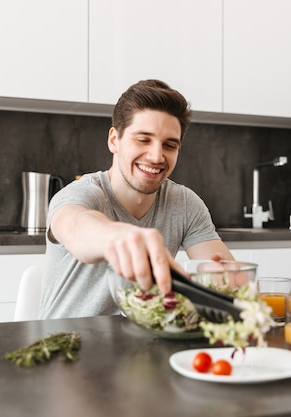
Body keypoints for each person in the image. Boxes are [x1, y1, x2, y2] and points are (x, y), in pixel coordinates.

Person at [39, 79, 233, 319]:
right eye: (143, 140)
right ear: (114, 140)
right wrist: (121, 236)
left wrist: (222, 281)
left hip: (142, 346)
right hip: (68, 347)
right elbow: (74, 225)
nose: (156, 156)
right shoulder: (81, 193)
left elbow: (228, 283)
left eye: (169, 145)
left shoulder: (184, 203)